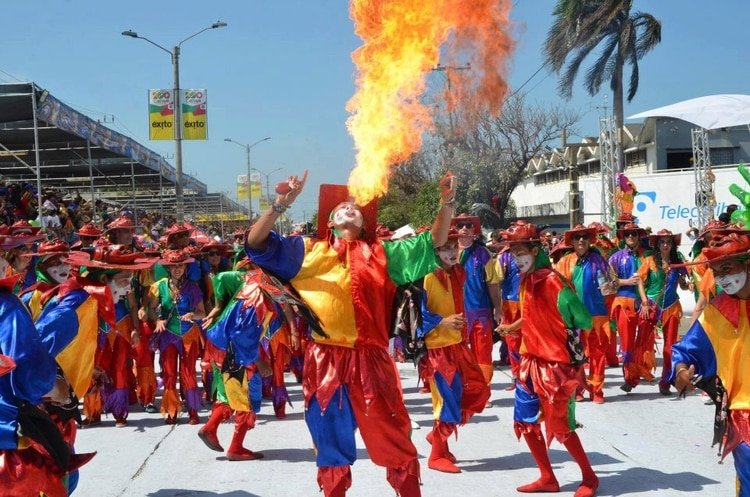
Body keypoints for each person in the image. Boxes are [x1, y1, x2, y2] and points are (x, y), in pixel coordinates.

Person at [245, 170, 455, 497]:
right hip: (325, 360)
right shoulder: (307, 252)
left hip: (371, 361)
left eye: (354, 206)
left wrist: (447, 203)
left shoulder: (386, 254)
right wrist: (280, 204)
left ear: (365, 222)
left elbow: (435, 242)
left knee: (394, 440)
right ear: (329, 222)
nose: (348, 208)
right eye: (341, 207)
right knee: (330, 446)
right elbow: (255, 244)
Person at [496, 221, 598, 497]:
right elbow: (530, 316)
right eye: (513, 254)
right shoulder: (525, 280)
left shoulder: (555, 282)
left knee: (561, 428)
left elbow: (584, 319)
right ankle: (547, 476)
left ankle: (589, 477)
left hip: (555, 367)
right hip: (529, 362)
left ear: (535, 250)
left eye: (521, 253)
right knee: (526, 422)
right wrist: (513, 327)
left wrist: (561, 326)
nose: (517, 259)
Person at [0, 234, 90, 496]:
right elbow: (31, 369)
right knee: (61, 474)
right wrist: (57, 388)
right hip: (10, 437)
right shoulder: (9, 304)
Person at [671, 233, 750, 495]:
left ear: (747, 265)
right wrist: (681, 372)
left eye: (727, 268)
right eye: (716, 272)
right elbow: (685, 352)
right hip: (744, 415)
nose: (721, 278)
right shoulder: (716, 312)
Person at [418, 228, 490, 473]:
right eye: (444, 248)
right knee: (448, 404)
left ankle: (438, 438)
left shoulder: (457, 272)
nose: (451, 252)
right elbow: (416, 314)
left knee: (475, 392)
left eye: (453, 247)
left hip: (458, 345)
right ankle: (436, 455)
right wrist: (441, 321)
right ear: (435, 251)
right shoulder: (427, 276)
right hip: (438, 352)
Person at [556, 225, 614, 404]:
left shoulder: (599, 260)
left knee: (597, 355)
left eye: (584, 237)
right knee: (576, 355)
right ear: (572, 241)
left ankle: (597, 390)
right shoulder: (565, 262)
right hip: (574, 319)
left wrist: (611, 286)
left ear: (590, 241)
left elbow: (611, 285)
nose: (581, 240)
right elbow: (557, 289)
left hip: (597, 315)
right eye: (577, 237)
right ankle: (578, 388)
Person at [148, 248, 205, 424]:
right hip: (168, 336)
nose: (177, 269)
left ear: (185, 268)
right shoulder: (159, 286)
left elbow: (202, 312)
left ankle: (193, 412)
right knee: (169, 374)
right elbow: (150, 309)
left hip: (188, 335)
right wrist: (157, 320)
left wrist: (192, 315)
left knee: (188, 374)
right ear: (168, 268)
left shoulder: (193, 287)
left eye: (180, 265)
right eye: (174, 266)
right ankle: (171, 411)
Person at [452, 214, 502, 389]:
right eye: (460, 225)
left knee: (482, 351)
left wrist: (498, 308)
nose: (464, 228)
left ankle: (482, 386)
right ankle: (464, 385)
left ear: (474, 230)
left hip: (480, 311)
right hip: (455, 313)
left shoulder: (483, 253)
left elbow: (492, 283)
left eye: (468, 225)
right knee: (459, 352)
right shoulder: (449, 251)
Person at [642, 229, 689, 395]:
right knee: (642, 343)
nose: (665, 245)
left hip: (672, 306)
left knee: (669, 348)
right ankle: (633, 375)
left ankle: (665, 382)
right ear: (657, 244)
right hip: (652, 305)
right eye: (662, 242)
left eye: (668, 242)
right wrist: (644, 301)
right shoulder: (649, 261)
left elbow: (684, 284)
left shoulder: (678, 261)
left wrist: (685, 283)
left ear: (673, 244)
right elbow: (639, 281)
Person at [608, 222, 651, 392]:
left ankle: (641, 370)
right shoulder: (615, 257)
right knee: (626, 344)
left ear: (639, 236)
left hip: (646, 304)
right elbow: (610, 281)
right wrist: (626, 282)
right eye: (627, 234)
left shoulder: (647, 257)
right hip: (624, 303)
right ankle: (629, 377)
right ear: (623, 237)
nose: (631, 237)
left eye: (633, 233)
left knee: (643, 342)